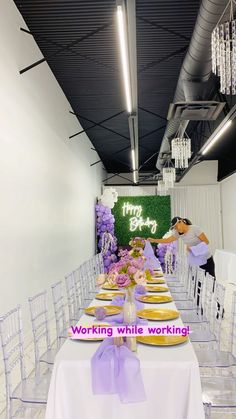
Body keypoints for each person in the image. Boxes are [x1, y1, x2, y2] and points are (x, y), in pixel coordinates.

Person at [148, 216, 215, 277]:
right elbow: (167, 240)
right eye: (174, 228)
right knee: (195, 283)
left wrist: (193, 248)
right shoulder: (178, 233)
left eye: (176, 226)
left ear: (181, 222)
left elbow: (206, 242)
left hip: (206, 259)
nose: (176, 229)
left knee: (211, 283)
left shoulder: (194, 229)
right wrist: (154, 240)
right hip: (195, 260)